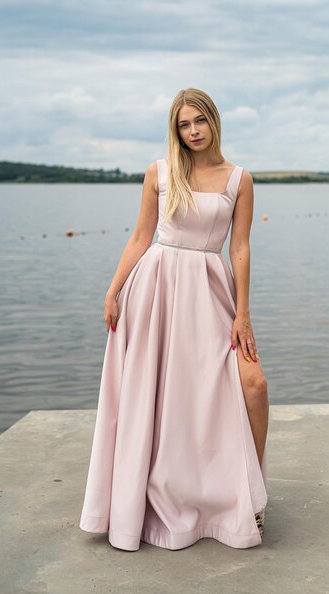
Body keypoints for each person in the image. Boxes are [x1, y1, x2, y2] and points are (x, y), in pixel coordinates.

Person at [79, 87, 270, 551]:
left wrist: (243, 314)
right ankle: (155, 499)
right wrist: (113, 290)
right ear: (175, 130)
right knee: (162, 399)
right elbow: (141, 236)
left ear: (214, 120)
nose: (193, 132)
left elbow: (240, 248)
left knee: (251, 385)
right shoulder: (160, 173)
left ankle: (251, 497)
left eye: (199, 121)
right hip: (155, 292)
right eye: (184, 125)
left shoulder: (238, 179)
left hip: (211, 293)